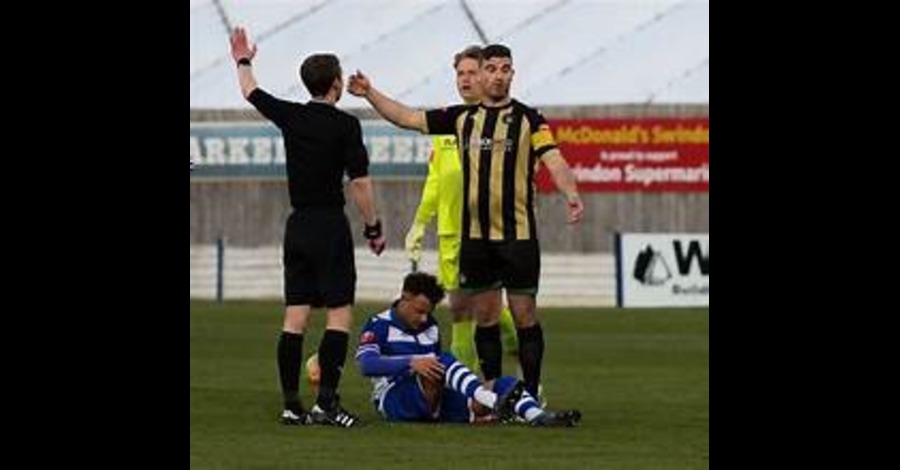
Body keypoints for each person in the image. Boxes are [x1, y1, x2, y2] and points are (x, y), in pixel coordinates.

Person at [347, 44, 583, 401]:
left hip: (518, 237)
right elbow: (406, 117)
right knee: (485, 318)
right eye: (492, 68)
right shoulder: (460, 119)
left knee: (525, 318)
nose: (498, 75)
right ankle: (491, 394)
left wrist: (571, 193)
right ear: (483, 72)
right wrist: (369, 93)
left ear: (512, 75)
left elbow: (555, 160)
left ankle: (531, 395)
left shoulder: (530, 120)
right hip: (476, 238)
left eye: (506, 69)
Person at [230, 27, 385, 428]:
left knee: (294, 317)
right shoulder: (346, 126)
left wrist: (243, 60)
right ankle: (327, 403)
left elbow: (250, 92)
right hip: (330, 225)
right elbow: (361, 184)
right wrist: (373, 227)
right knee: (338, 315)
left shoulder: (292, 116)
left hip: (297, 225)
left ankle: (289, 404)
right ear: (336, 84)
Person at [404, 45, 519, 376]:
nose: (465, 80)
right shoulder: (447, 121)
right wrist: (419, 223)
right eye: (460, 74)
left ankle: (511, 345)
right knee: (459, 308)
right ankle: (467, 386)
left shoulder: (503, 122)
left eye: (471, 73)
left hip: (487, 228)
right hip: (451, 230)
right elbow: (437, 179)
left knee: (483, 303)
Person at [353, 272, 581, 426]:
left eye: (428, 312)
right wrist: (411, 362)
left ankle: (538, 417)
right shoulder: (379, 324)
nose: (424, 318)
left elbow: (438, 374)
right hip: (395, 399)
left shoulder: (430, 326)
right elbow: (366, 365)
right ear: (405, 297)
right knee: (441, 360)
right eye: (419, 310)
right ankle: (493, 402)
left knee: (502, 384)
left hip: (434, 396)